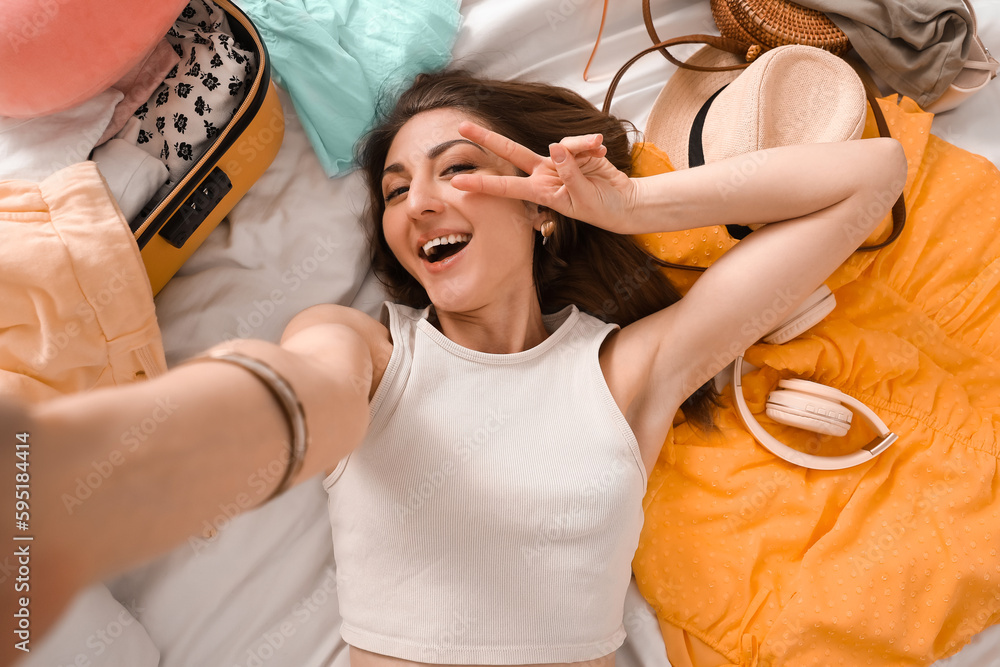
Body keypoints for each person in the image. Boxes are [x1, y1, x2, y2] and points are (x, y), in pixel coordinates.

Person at [0, 68, 906, 666]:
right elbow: (305, 399)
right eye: (396, 190)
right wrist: (94, 478)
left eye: (456, 168)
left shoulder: (627, 370)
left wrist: (632, 205)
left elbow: (875, 173)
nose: (419, 200)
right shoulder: (370, 348)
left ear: (541, 207)